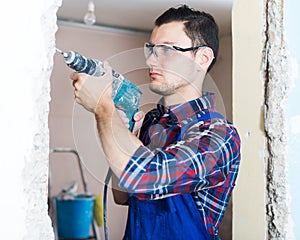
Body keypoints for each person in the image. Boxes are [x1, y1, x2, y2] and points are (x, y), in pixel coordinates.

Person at [71, 5, 241, 240]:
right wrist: (121, 130)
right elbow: (122, 195)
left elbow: (142, 178)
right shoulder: (152, 122)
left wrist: (103, 107)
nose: (151, 59)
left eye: (166, 50)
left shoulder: (218, 135)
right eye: (151, 49)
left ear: (202, 58)